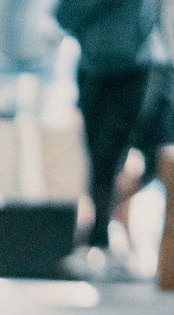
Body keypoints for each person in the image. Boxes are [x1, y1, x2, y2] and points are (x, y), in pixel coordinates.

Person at [57, 0, 165, 280]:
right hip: (94, 68)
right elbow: (64, 15)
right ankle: (99, 239)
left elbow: (152, 17)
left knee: (125, 155)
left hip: (137, 69)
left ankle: (102, 237)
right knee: (98, 158)